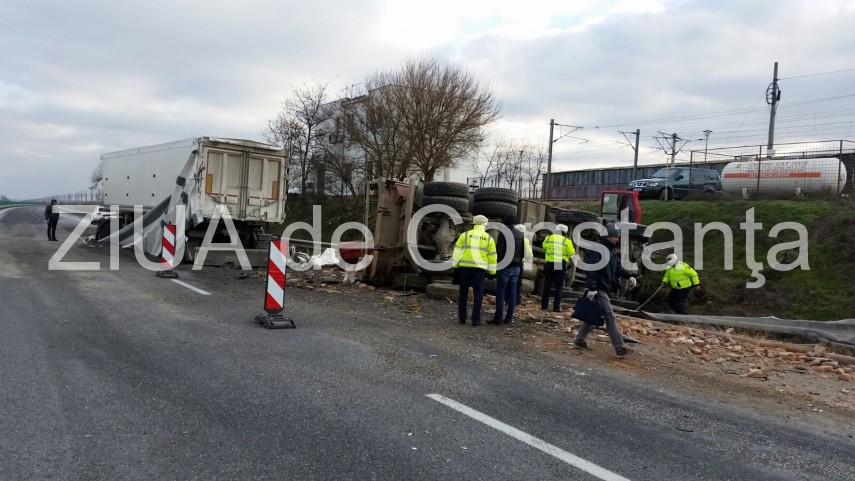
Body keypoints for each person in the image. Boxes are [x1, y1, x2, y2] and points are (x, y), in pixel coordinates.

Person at [574, 223, 637, 357]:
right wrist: (592, 287)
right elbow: (591, 268)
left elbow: (618, 268)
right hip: (598, 287)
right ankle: (620, 347)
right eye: (615, 237)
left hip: (604, 287)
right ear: (608, 236)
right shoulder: (597, 249)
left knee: (593, 313)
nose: (617, 239)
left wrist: (629, 276)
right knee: (610, 315)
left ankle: (579, 339)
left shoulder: (612, 250)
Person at [452, 214, 497, 326]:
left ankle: (462, 318)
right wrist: (492, 272)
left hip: (464, 269)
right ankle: (475, 319)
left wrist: (456, 267)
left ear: (474, 223)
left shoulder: (465, 235)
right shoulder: (488, 238)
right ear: (485, 224)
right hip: (479, 271)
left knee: (463, 294)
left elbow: (457, 253)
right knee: (478, 295)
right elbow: (492, 257)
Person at [491, 215, 525, 325]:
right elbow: (523, 252)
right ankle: (509, 317)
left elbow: (499, 251)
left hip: (505, 266)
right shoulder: (520, 234)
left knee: (501, 292)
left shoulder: (503, 234)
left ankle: (498, 318)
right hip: (516, 267)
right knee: (513, 292)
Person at [540, 224, 575, 312]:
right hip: (560, 263)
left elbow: (544, 247)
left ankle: (544, 305)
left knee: (547, 285)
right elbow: (572, 253)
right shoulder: (566, 241)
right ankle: (556, 307)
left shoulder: (548, 238)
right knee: (558, 287)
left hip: (550, 263)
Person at [514, 224, 534, 305]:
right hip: (519, 264)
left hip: (508, 264)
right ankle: (516, 300)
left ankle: (507, 299)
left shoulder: (509, 238)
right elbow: (529, 254)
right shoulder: (525, 240)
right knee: (518, 283)